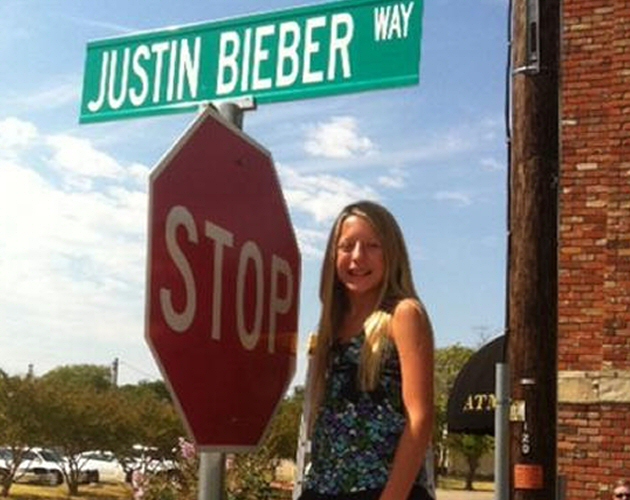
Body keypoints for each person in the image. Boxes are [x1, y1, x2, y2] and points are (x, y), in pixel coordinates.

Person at [299, 201, 435, 500]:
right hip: (321, 487)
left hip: (382, 489)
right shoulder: (331, 326)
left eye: (373, 246)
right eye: (346, 246)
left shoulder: (404, 314)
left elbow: (421, 417)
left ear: (392, 253)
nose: (358, 257)